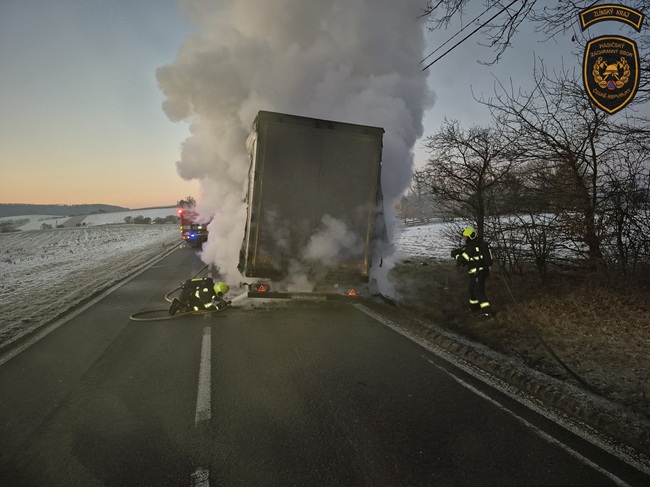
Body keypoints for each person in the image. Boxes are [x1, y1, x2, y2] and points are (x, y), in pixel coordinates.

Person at [451, 227, 494, 318]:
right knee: (471, 289)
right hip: (480, 272)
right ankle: (474, 308)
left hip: (478, 273)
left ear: (470, 237)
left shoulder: (471, 246)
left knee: (478, 291)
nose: (464, 239)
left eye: (465, 237)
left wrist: (456, 254)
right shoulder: (478, 244)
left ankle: (488, 312)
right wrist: (461, 252)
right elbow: (471, 256)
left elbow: (462, 261)